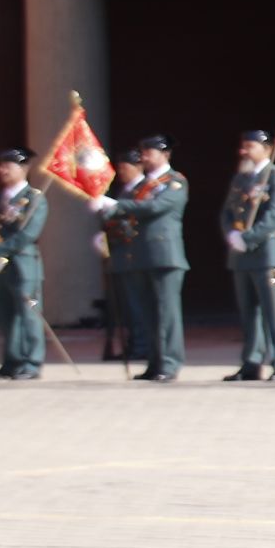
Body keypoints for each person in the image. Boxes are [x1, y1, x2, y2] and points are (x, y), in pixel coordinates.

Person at [93, 135, 187, 381]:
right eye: (142, 152)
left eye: (150, 152)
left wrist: (116, 206)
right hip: (140, 255)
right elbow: (123, 213)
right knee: (147, 314)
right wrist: (106, 217)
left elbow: (155, 207)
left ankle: (169, 362)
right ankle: (155, 362)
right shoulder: (139, 187)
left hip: (164, 255)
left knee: (166, 313)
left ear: (164, 155)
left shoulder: (174, 182)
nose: (144, 157)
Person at [219, 128, 275, 382]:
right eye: (244, 146)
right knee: (249, 311)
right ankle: (251, 362)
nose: (244, 151)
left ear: (267, 148)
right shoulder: (241, 179)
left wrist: (248, 238)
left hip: (269, 257)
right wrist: (231, 234)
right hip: (242, 257)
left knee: (274, 308)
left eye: (250, 146)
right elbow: (227, 212)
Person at [0, 149, 47, 380]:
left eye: (9, 166)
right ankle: (12, 360)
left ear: (24, 168)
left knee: (29, 313)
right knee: (6, 315)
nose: (2, 170)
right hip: (2, 268)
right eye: (1, 165)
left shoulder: (35, 198)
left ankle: (31, 362)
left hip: (25, 267)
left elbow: (28, 234)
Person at [96, 149, 145, 364]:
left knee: (138, 305)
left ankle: (142, 345)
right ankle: (133, 344)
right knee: (126, 306)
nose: (122, 172)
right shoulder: (125, 191)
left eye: (126, 168)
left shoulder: (144, 190)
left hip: (136, 255)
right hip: (119, 255)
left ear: (138, 167)